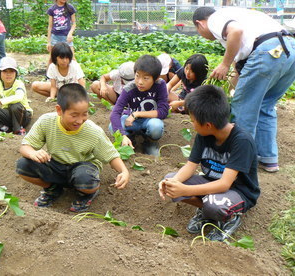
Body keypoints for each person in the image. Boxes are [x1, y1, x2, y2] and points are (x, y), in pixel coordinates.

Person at [192, 7, 295, 172]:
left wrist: (224, 64)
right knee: (265, 106)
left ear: (199, 24)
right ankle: (268, 159)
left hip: (267, 51)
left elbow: (236, 31)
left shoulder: (215, 19)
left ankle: (240, 163)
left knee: (243, 109)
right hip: (289, 50)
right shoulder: (244, 16)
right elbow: (240, 71)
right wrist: (226, 95)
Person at [158, 85, 260, 242]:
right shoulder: (203, 135)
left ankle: (230, 218)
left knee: (213, 204)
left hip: (239, 191)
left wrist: (185, 189)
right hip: (212, 183)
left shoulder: (242, 141)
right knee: (171, 180)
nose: (191, 124)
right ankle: (207, 213)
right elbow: (190, 166)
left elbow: (225, 184)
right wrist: (172, 183)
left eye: (192, 121)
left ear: (207, 125)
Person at [16, 83, 130, 212]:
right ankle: (53, 189)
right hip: (57, 164)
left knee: (85, 179)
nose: (80, 120)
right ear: (59, 110)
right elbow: (25, 146)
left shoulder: (93, 131)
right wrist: (32, 153)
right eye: (74, 115)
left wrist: (123, 171)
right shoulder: (46, 121)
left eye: (84, 114)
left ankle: (86, 194)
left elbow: (111, 155)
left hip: (82, 166)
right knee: (23, 165)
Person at [109, 55, 169, 156]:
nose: (140, 82)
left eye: (146, 78)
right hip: (131, 123)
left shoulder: (160, 85)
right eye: (137, 76)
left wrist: (136, 114)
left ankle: (149, 142)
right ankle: (130, 139)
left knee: (156, 126)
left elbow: (163, 111)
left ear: (155, 78)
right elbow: (115, 113)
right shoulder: (129, 89)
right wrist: (122, 135)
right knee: (112, 127)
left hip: (149, 121)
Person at [46, 0, 76, 66]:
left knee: (72, 58)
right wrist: (49, 42)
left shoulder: (70, 8)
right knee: (51, 59)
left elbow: (74, 24)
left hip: (66, 37)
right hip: (55, 37)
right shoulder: (52, 9)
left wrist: (70, 34)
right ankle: (48, 75)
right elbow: (50, 26)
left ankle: (78, 76)